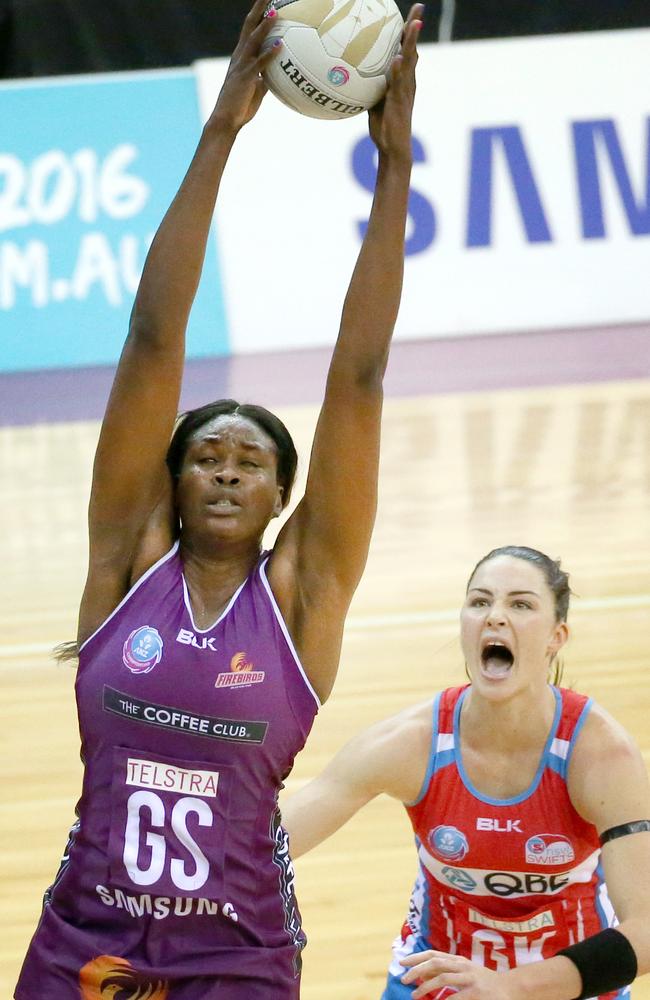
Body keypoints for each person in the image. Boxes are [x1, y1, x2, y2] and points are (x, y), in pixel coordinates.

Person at [13, 2, 422, 997]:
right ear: (173, 483)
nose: (229, 468)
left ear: (284, 493)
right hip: (86, 936)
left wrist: (395, 171)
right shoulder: (125, 563)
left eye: (251, 460)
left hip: (234, 951)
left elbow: (358, 379)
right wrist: (218, 134)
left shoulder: (299, 597)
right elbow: (153, 338)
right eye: (207, 455)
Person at [281, 545, 650, 999]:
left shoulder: (600, 755)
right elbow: (263, 851)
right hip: (438, 982)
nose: (494, 616)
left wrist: (509, 987)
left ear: (557, 636)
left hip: (568, 984)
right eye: (480, 602)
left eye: (520, 604)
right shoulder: (410, 742)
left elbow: (647, 932)